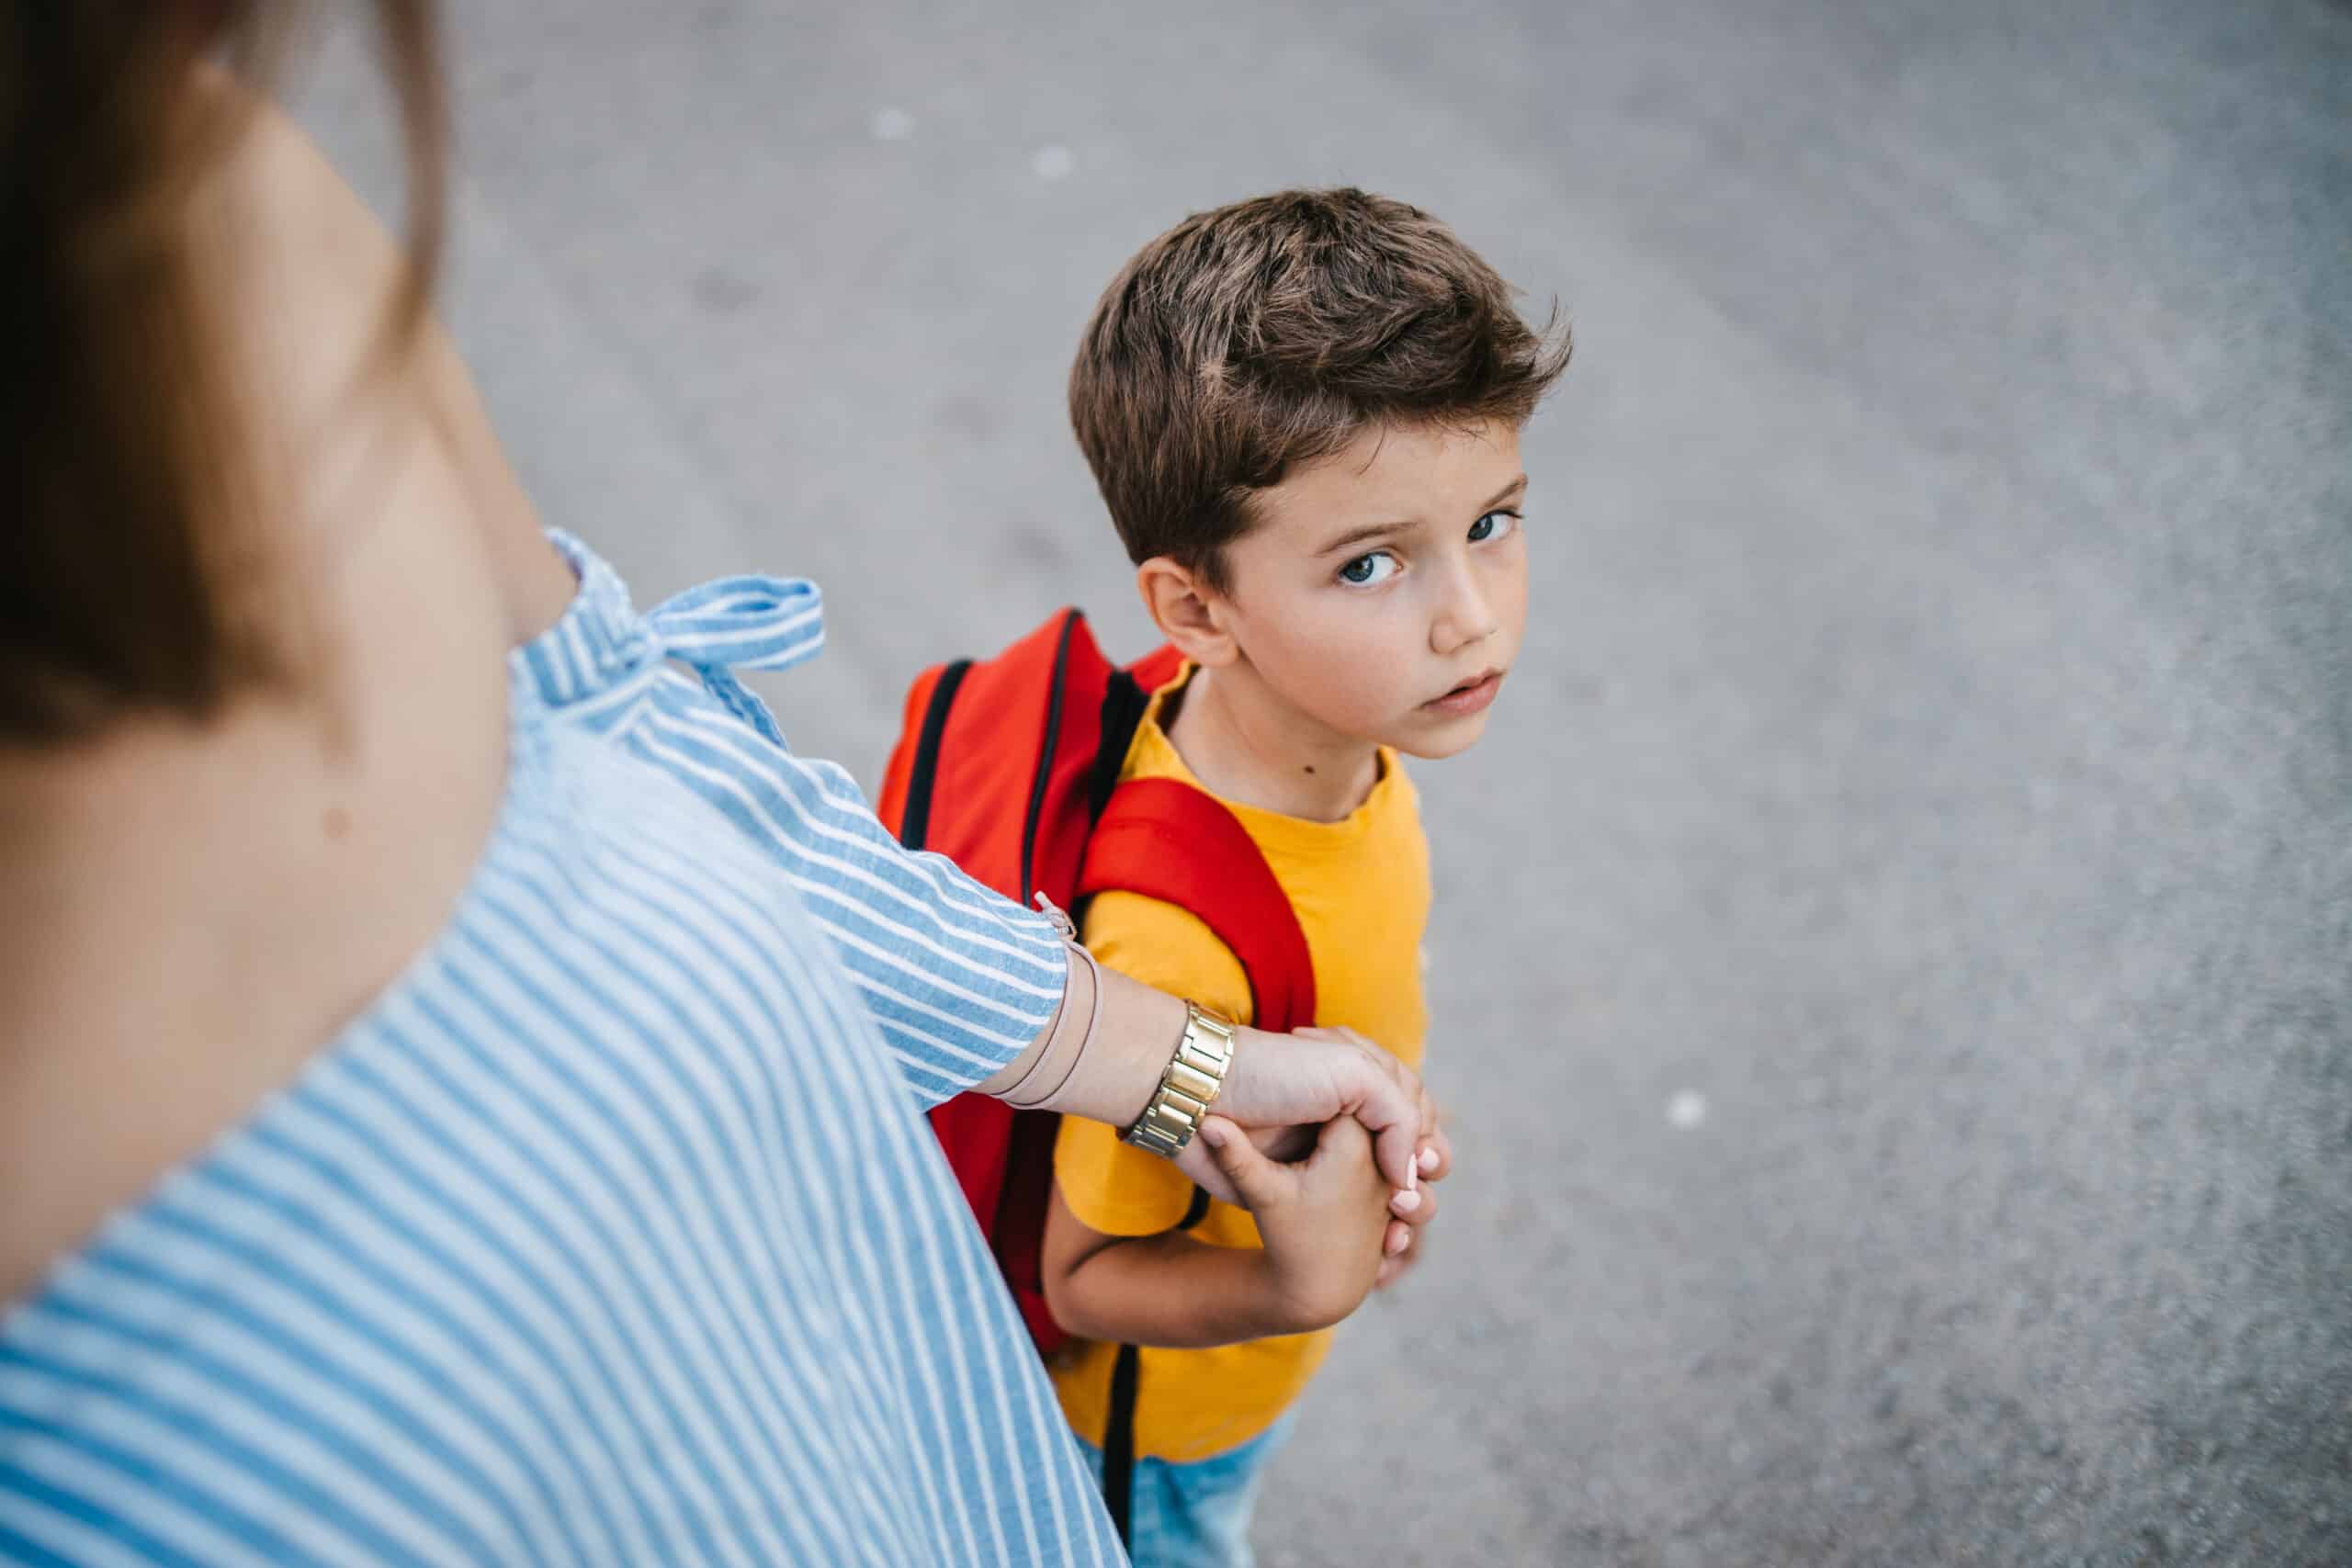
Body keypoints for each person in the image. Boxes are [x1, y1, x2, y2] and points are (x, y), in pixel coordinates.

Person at [0, 10, 1447, 1563]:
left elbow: (640, 727)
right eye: (1374, 561)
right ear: (1191, 609)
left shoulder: (218, 211)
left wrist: (1196, 1072)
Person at [1036, 189, 1567, 1565]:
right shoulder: (1169, 952)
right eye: (1373, 563)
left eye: (1494, 522)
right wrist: (1304, 1279)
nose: (1468, 616)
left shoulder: (1337, 735)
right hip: (1154, 1447)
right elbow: (1081, 1281)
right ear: (1195, 611)